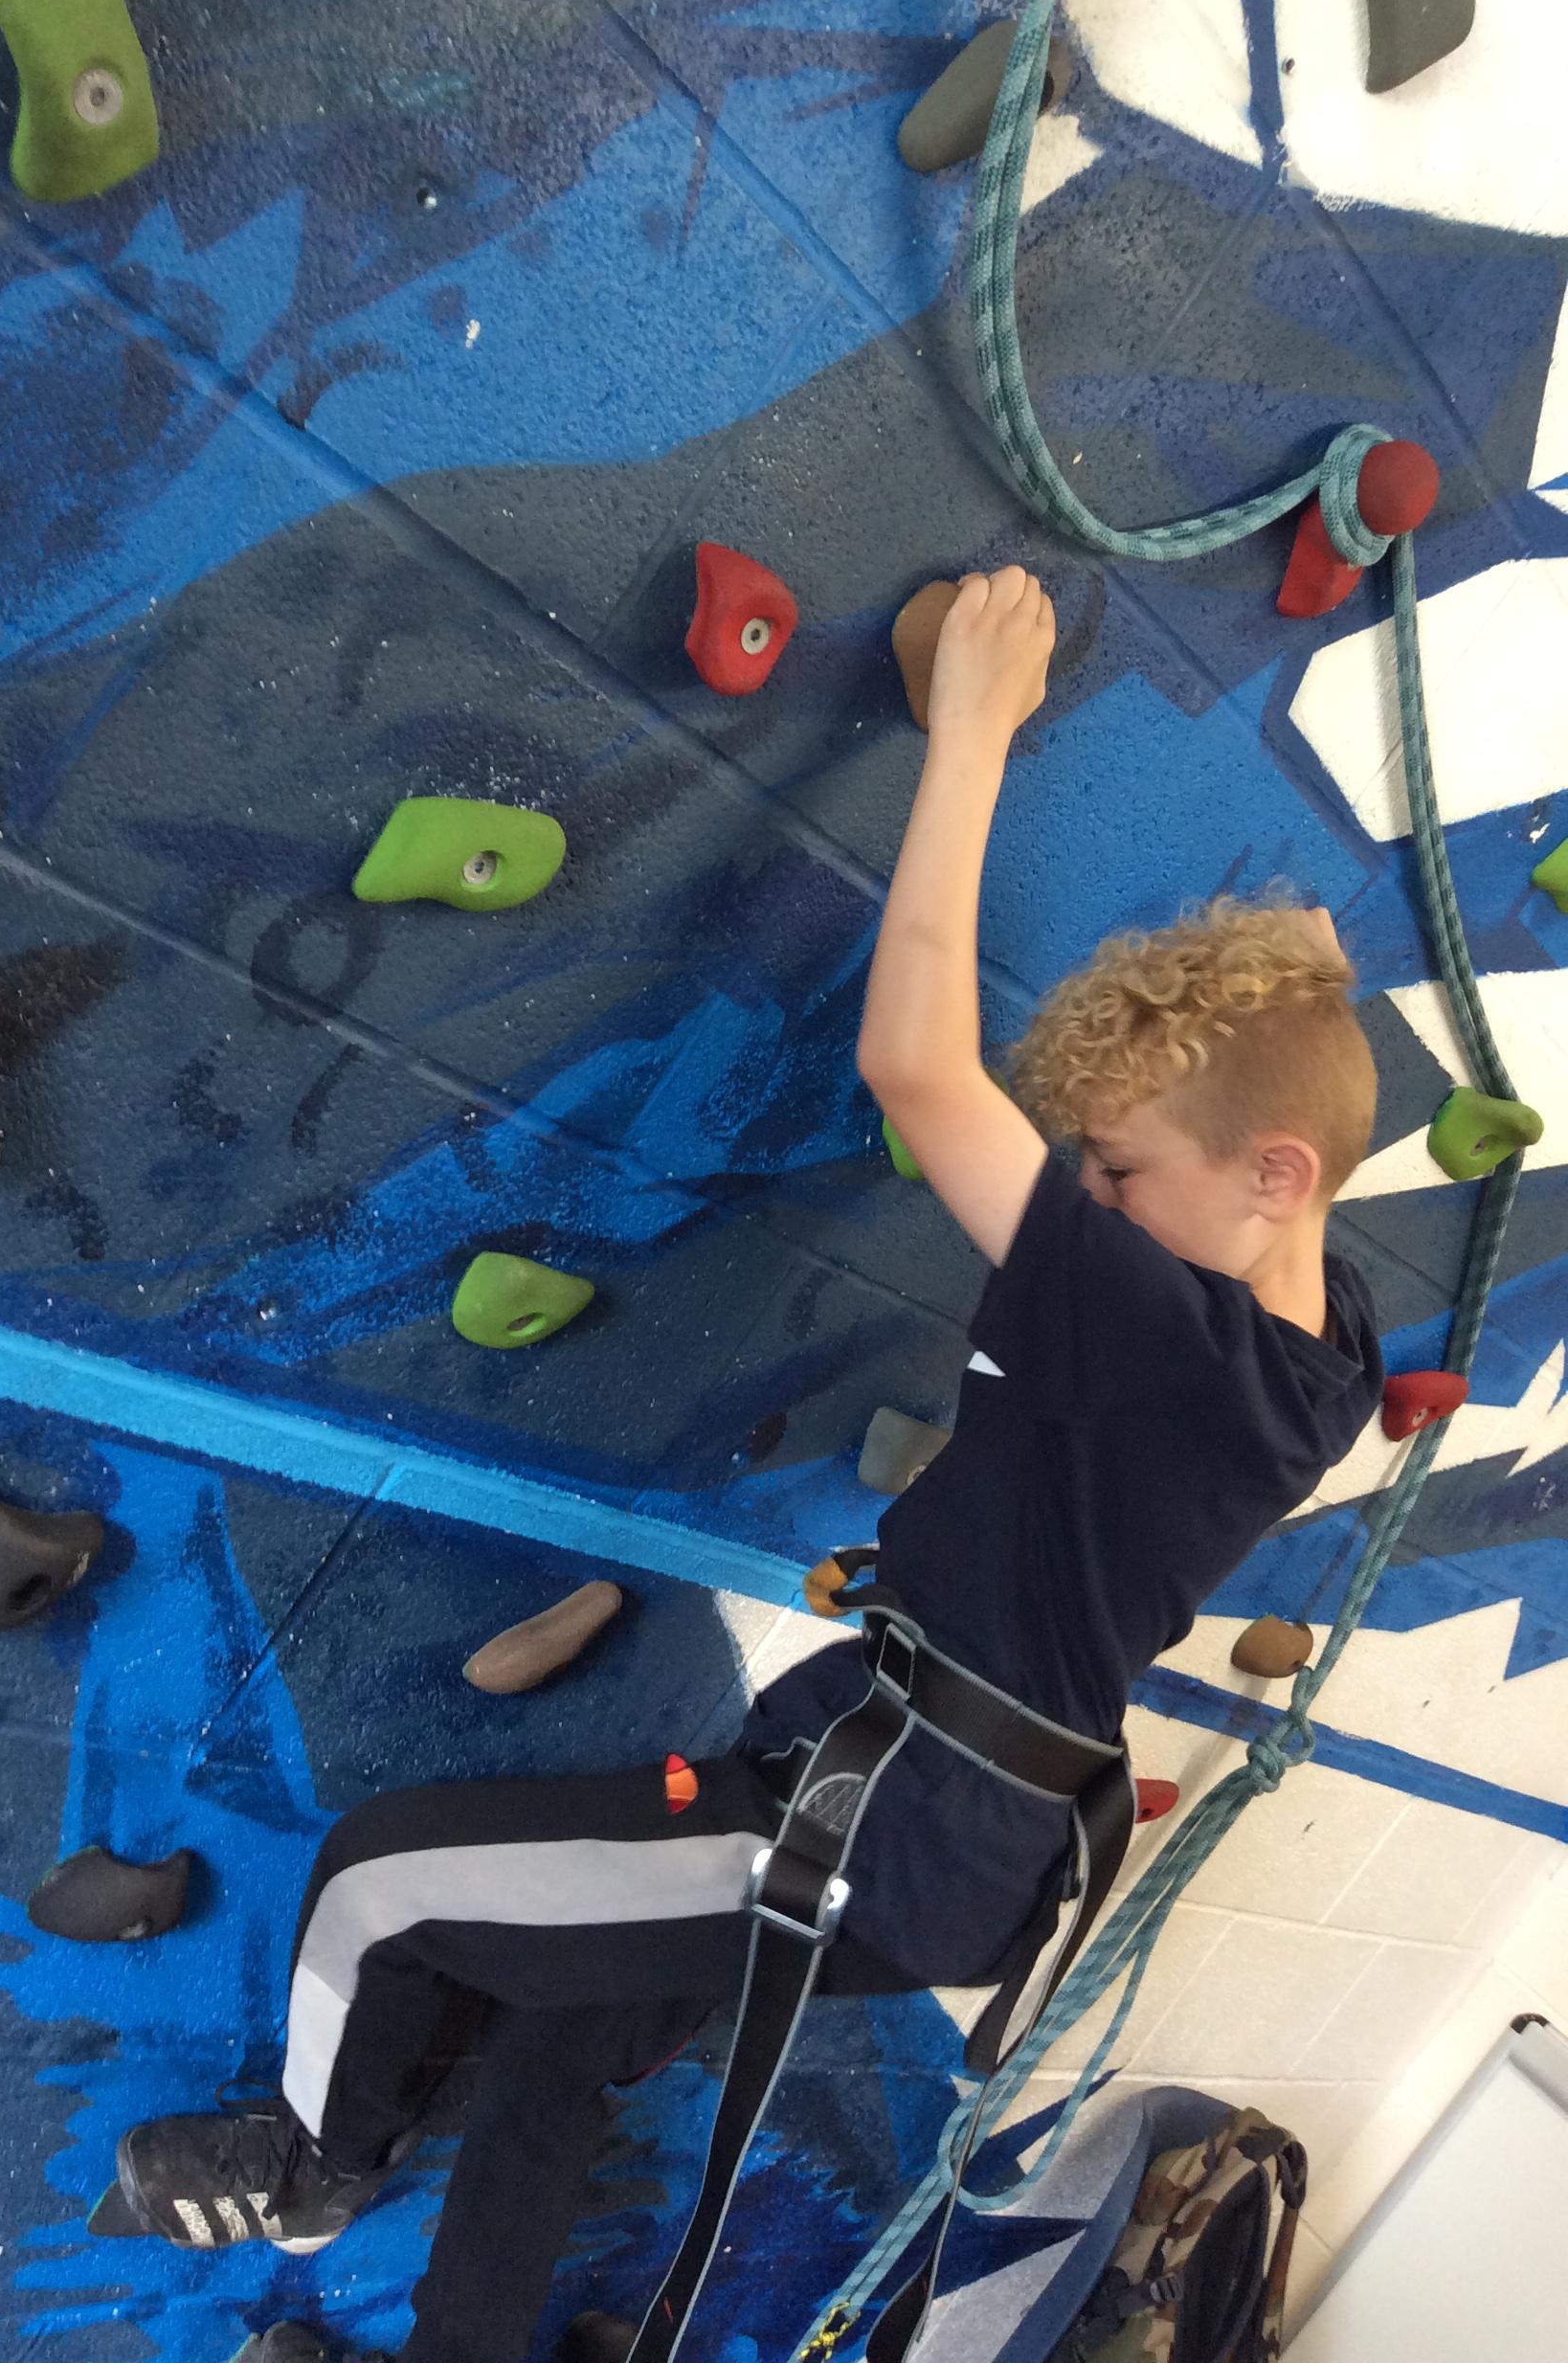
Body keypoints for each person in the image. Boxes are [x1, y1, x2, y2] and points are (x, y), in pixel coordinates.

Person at [108, 568, 1383, 2363]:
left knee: (384, 1888)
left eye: (1117, 1171)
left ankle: (314, 2167)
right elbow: (1293, 1113)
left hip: (899, 1822)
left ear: (1274, 1177)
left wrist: (971, 733)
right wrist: (1289, 985)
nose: (1086, 1198)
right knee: (563, 2034)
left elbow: (915, 1064)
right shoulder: (1320, 1343)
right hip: (932, 1794)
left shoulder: (1175, 1334)